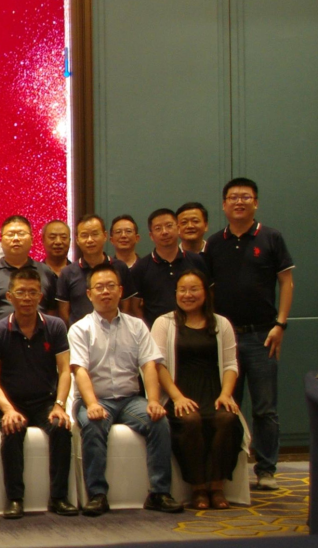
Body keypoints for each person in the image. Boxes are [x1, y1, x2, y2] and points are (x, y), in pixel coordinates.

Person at [70, 265, 183, 516]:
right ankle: (97, 494)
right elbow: (80, 371)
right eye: (99, 287)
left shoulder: (137, 326)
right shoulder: (80, 329)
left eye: (111, 286)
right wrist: (92, 404)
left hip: (130, 400)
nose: (105, 292)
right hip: (95, 399)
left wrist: (153, 401)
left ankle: (159, 493)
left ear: (120, 291)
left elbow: (149, 365)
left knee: (158, 421)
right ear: (89, 294)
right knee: (93, 424)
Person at [203, 177, 293, 490]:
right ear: (224, 204)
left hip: (262, 336)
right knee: (229, 406)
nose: (239, 202)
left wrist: (280, 324)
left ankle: (266, 470)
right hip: (226, 337)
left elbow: (286, 282)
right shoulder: (215, 243)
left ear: (255, 202)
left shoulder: (271, 237)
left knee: (265, 408)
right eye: (233, 197)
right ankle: (233, 470)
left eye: (245, 197)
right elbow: (207, 289)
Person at [0, 267, 76, 519]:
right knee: (12, 428)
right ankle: (15, 499)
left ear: (40, 296)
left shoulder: (55, 326)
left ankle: (59, 497)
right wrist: (8, 410)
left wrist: (60, 405)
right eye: (21, 292)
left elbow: (65, 371)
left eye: (33, 292)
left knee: (61, 426)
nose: (27, 298)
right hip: (9, 403)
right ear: (9, 296)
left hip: (45, 401)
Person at [153, 270, 244, 510]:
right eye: (182, 290)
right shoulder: (164, 323)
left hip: (214, 392)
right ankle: (199, 488)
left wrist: (226, 394)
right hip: (178, 393)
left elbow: (230, 364)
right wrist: (177, 397)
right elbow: (158, 365)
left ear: (206, 293)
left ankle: (217, 486)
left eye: (194, 289)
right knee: (190, 420)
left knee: (227, 419)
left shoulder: (221, 323)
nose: (188, 295)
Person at [0, 215, 58, 331]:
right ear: (1, 240)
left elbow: (52, 310)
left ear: (32, 240)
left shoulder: (46, 272)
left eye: (21, 234)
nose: (16, 238)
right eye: (10, 234)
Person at [131, 209, 208, 326]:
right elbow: (135, 307)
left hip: (194, 329)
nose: (164, 232)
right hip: (155, 331)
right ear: (151, 236)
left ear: (178, 228)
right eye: (158, 228)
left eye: (169, 226)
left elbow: (208, 296)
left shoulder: (196, 260)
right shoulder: (141, 267)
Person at [56, 214, 138, 325]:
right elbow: (64, 313)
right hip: (80, 333)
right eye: (84, 235)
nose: (90, 240)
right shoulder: (67, 273)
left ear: (105, 236)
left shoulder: (120, 267)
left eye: (95, 234)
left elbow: (126, 307)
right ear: (77, 240)